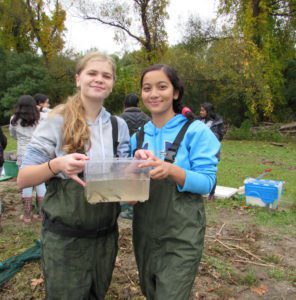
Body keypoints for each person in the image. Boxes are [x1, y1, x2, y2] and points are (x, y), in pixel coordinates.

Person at [17, 51, 130, 299]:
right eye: (92, 73)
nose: (99, 79)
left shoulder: (117, 126)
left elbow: (123, 180)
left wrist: (137, 168)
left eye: (106, 75)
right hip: (65, 240)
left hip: (105, 238)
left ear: (112, 84)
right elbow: (23, 178)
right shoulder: (56, 120)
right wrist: (56, 165)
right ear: (78, 78)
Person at [131, 64, 221, 300]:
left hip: (182, 233)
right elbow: (131, 187)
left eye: (162, 87)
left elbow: (207, 183)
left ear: (175, 93)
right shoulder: (137, 137)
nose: (154, 94)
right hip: (144, 232)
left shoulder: (196, 131)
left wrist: (172, 170)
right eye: (147, 88)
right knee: (150, 291)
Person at [9, 95, 46, 223]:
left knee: (26, 184)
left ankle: (26, 215)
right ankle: (42, 214)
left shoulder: (14, 119)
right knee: (41, 182)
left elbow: (12, 134)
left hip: (23, 154)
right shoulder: (40, 118)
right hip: (39, 153)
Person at [119, 93, 150, 219]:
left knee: (127, 183)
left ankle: (126, 210)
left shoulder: (120, 119)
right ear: (138, 103)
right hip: (145, 155)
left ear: (124, 104)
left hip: (126, 156)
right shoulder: (147, 118)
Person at [199, 102, 225, 200]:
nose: (200, 112)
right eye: (200, 110)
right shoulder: (199, 121)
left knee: (210, 171)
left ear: (208, 111)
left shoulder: (217, 122)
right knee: (198, 170)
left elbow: (219, 136)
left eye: (203, 110)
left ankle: (212, 194)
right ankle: (199, 191)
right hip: (199, 150)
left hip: (211, 151)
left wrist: (205, 134)